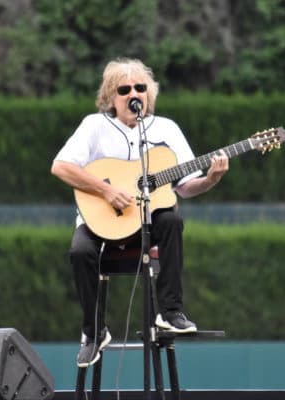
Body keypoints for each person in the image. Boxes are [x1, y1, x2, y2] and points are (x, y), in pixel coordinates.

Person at [51, 58, 229, 368]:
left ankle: (171, 312)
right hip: (100, 221)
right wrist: (106, 191)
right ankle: (94, 333)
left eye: (140, 87)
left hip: (147, 220)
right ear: (111, 97)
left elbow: (185, 187)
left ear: (149, 93)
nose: (134, 93)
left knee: (172, 218)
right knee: (80, 252)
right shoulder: (94, 125)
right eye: (124, 89)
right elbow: (61, 167)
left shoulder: (166, 129)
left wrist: (212, 178)